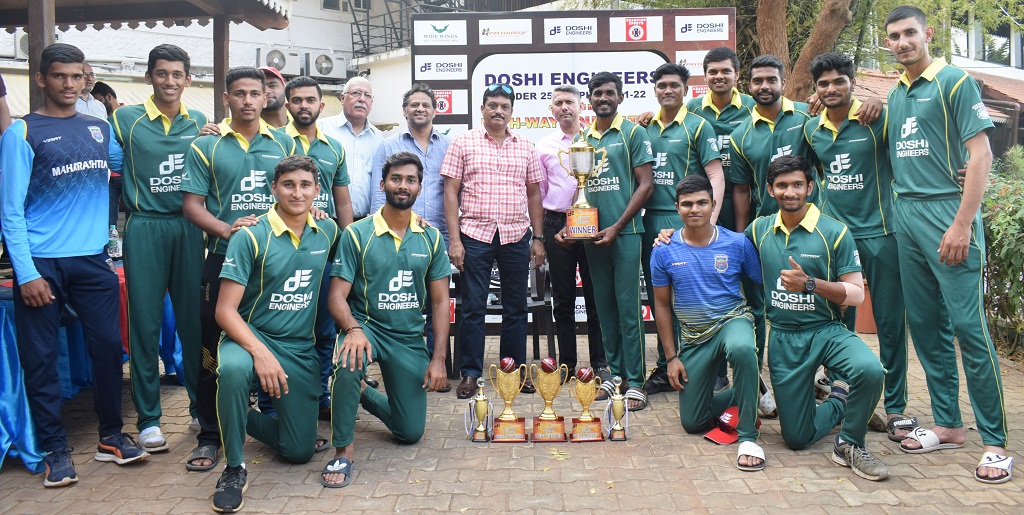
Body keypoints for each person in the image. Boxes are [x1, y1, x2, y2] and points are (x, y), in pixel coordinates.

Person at [0, 43, 146, 488]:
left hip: (92, 260)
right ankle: (53, 449)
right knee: (41, 360)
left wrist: (203, 137)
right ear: (42, 79)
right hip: (42, 263)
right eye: (58, 76)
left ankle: (110, 436)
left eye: (76, 76)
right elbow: (9, 211)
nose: (68, 84)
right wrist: (26, 273)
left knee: (107, 350)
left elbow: (135, 161)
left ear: (86, 79)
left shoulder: (98, 127)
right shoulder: (21, 133)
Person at [883, 5, 1011, 483]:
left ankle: (995, 442)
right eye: (893, 36)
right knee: (926, 326)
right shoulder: (896, 92)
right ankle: (949, 425)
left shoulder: (954, 81)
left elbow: (982, 154)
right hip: (906, 215)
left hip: (947, 214)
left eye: (909, 33)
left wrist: (962, 223)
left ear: (927, 34)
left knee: (968, 328)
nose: (901, 42)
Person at [181, 66, 296, 473]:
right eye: (239, 93)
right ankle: (210, 435)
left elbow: (295, 193)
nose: (247, 100)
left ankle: (276, 419)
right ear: (226, 99)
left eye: (255, 93)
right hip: (222, 257)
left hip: (273, 261)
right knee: (212, 348)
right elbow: (192, 206)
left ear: (266, 98)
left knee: (274, 334)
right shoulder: (205, 146)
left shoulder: (284, 143)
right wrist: (228, 229)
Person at [803, 51, 922, 443]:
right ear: (816, 89)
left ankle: (897, 407)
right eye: (824, 83)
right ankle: (845, 395)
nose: (832, 88)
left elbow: (914, 145)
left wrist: (880, 100)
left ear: (853, 83)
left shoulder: (876, 118)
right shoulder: (811, 130)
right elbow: (806, 178)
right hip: (836, 238)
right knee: (839, 322)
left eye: (840, 81)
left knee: (890, 322)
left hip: (881, 234)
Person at [746, 155, 887, 481]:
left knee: (870, 370)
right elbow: (719, 241)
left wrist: (810, 284)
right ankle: (841, 399)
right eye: (782, 185)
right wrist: (671, 233)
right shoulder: (760, 229)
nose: (790, 191)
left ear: (810, 187)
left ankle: (850, 443)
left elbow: (856, 294)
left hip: (826, 330)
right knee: (796, 438)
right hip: (783, 337)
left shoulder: (834, 231)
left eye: (797, 184)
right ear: (770, 189)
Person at [211, 155, 339, 512]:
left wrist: (413, 219)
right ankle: (234, 467)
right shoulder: (250, 235)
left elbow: (362, 243)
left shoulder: (326, 231)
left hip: (298, 347)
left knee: (297, 452)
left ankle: (228, 409)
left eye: (305, 185)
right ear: (274, 189)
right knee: (235, 371)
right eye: (288, 185)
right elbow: (224, 311)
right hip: (248, 337)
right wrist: (261, 353)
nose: (296, 193)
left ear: (317, 190)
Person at [323, 151, 450, 488]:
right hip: (368, 328)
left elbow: (440, 301)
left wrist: (438, 359)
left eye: (410, 180)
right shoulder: (356, 234)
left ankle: (361, 392)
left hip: (408, 337)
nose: (402, 185)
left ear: (420, 188)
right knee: (348, 361)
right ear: (383, 184)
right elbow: (335, 297)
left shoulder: (432, 237)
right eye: (396, 178)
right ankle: (343, 451)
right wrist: (352, 329)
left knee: (409, 433)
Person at [111, 44, 209, 453]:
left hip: (188, 227)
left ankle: (200, 408)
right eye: (162, 73)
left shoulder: (202, 121)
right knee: (146, 325)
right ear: (148, 76)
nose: (170, 81)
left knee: (194, 324)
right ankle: (149, 419)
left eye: (177, 74)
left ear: (188, 79)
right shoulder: (124, 119)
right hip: (144, 226)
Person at [556, 71, 654, 410]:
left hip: (624, 235)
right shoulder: (584, 139)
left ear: (620, 97)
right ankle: (615, 376)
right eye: (597, 93)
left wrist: (617, 225)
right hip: (592, 238)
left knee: (629, 309)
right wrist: (571, 226)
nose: (603, 98)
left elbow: (646, 184)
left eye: (609, 93)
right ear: (590, 99)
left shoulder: (633, 133)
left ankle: (637, 381)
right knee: (605, 310)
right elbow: (580, 189)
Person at [651, 174, 763, 470]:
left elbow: (763, 284)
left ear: (714, 204)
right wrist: (671, 358)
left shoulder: (737, 243)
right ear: (677, 208)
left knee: (741, 348)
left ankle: (749, 436)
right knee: (693, 422)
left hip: (731, 320)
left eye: (702, 202)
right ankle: (749, 390)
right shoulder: (663, 249)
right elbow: (661, 306)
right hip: (694, 336)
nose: (695, 209)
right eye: (687, 204)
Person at [441, 83, 545, 399]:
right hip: (475, 235)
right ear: (482, 108)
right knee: (473, 307)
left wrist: (538, 238)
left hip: (516, 235)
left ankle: (511, 370)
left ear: (512, 111)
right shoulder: (463, 142)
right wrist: (455, 241)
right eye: (492, 105)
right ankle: (470, 374)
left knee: (516, 307)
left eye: (504, 106)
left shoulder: (526, 145)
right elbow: (450, 192)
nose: (498, 110)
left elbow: (534, 193)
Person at [642, 62, 724, 396]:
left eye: (674, 85)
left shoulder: (698, 126)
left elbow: (716, 174)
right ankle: (666, 366)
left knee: (699, 298)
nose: (668, 90)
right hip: (653, 222)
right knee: (661, 298)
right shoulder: (643, 128)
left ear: (686, 90)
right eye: (662, 85)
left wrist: (709, 221)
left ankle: (712, 370)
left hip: (687, 221)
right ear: (656, 90)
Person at [368, 83, 453, 391]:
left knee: (437, 300)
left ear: (434, 110)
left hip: (437, 235)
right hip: (397, 233)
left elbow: (453, 191)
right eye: (413, 104)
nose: (420, 109)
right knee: (401, 298)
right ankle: (399, 366)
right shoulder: (388, 144)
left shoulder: (449, 145)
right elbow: (379, 193)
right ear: (405, 111)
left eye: (425, 104)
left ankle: (435, 365)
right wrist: (382, 230)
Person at [282, 75, 354, 418]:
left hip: (325, 251)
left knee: (325, 328)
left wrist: (349, 246)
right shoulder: (276, 142)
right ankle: (275, 397)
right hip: (284, 252)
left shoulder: (334, 147)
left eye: (310, 100)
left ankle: (322, 395)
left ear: (321, 106)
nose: (303, 106)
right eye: (297, 100)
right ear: (287, 105)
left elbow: (343, 204)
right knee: (286, 324)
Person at [536, 85, 606, 381]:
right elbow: (538, 195)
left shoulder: (597, 139)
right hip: (556, 224)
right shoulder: (543, 146)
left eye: (569, 102)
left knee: (596, 296)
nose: (564, 107)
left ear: (581, 106)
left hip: (593, 223)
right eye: (558, 103)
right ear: (551, 110)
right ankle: (566, 363)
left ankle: (600, 362)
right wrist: (539, 236)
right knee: (562, 299)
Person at [318, 77, 383, 220]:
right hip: (325, 219)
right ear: (342, 98)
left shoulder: (379, 138)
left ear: (372, 102)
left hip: (365, 222)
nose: (362, 99)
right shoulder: (321, 129)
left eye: (367, 95)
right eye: (356, 93)